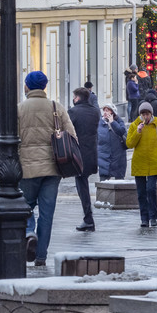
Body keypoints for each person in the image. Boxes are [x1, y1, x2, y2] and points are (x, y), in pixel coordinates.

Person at [18, 71, 76, 266]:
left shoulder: (19, 109)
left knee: (24, 207)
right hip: (53, 169)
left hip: (27, 169)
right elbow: (72, 137)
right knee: (47, 213)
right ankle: (41, 256)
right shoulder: (56, 108)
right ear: (44, 87)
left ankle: (28, 232)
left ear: (27, 86)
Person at [127, 102, 157, 227]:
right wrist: (138, 132)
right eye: (143, 114)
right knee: (141, 193)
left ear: (151, 114)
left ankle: (153, 217)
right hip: (139, 163)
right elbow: (129, 143)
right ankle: (144, 219)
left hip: (154, 163)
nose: (145, 116)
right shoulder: (135, 125)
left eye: (147, 114)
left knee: (151, 189)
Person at [69, 87, 101, 232]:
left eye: (74, 97)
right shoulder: (95, 112)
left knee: (82, 186)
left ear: (78, 98)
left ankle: (88, 219)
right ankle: (88, 218)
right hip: (91, 154)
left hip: (77, 154)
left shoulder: (74, 112)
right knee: (84, 184)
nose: (73, 99)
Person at [98, 104, 127, 181]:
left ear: (113, 112)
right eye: (104, 110)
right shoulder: (100, 123)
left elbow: (121, 131)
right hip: (104, 156)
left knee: (119, 180)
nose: (104, 112)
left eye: (107, 110)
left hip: (118, 155)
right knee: (103, 181)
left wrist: (112, 122)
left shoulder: (119, 121)